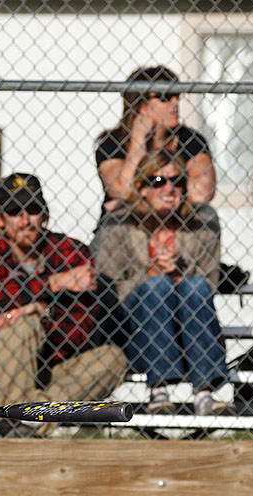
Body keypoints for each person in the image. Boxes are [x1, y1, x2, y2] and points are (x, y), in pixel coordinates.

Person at [0, 173, 127, 437]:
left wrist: (41, 311)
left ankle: (27, 421)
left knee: (114, 359)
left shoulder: (71, 251)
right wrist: (54, 284)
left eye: (33, 210)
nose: (25, 220)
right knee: (20, 326)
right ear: (1, 220)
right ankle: (25, 417)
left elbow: (82, 327)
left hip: (50, 370)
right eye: (15, 212)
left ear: (45, 215)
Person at [96, 152, 231, 416]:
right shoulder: (118, 224)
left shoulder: (201, 224)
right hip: (135, 334)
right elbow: (107, 288)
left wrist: (178, 277)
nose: (169, 188)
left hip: (188, 330)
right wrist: (150, 273)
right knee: (157, 286)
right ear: (143, 188)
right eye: (158, 180)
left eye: (177, 181)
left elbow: (209, 283)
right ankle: (159, 390)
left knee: (194, 286)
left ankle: (204, 394)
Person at [95, 66, 216, 220]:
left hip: (177, 225)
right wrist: (138, 144)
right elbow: (122, 190)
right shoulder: (112, 143)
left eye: (176, 96)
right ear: (141, 105)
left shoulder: (190, 139)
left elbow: (202, 192)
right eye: (164, 97)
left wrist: (147, 190)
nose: (174, 103)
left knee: (207, 216)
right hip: (127, 228)